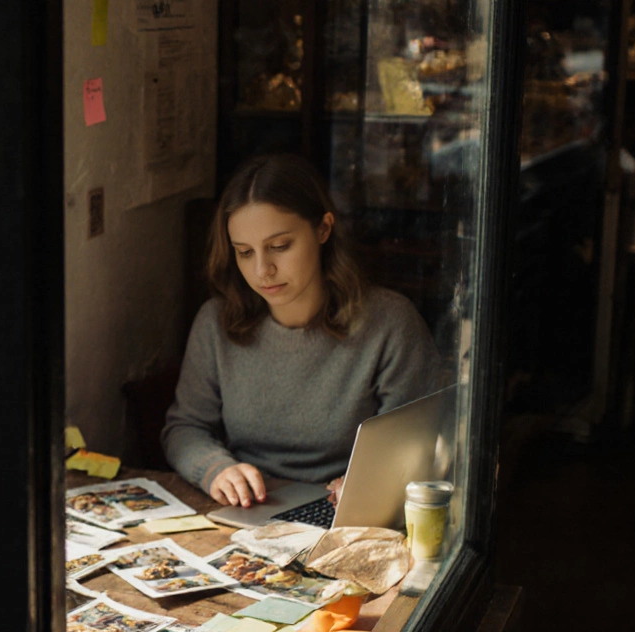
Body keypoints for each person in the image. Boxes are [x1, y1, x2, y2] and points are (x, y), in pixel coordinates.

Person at [161, 154, 442, 508]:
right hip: (246, 510)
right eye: (245, 252)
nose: (263, 270)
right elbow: (184, 428)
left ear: (323, 229)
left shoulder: (389, 323)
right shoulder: (216, 322)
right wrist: (216, 469)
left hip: (346, 512)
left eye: (279, 246)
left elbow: (420, 442)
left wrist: (370, 482)